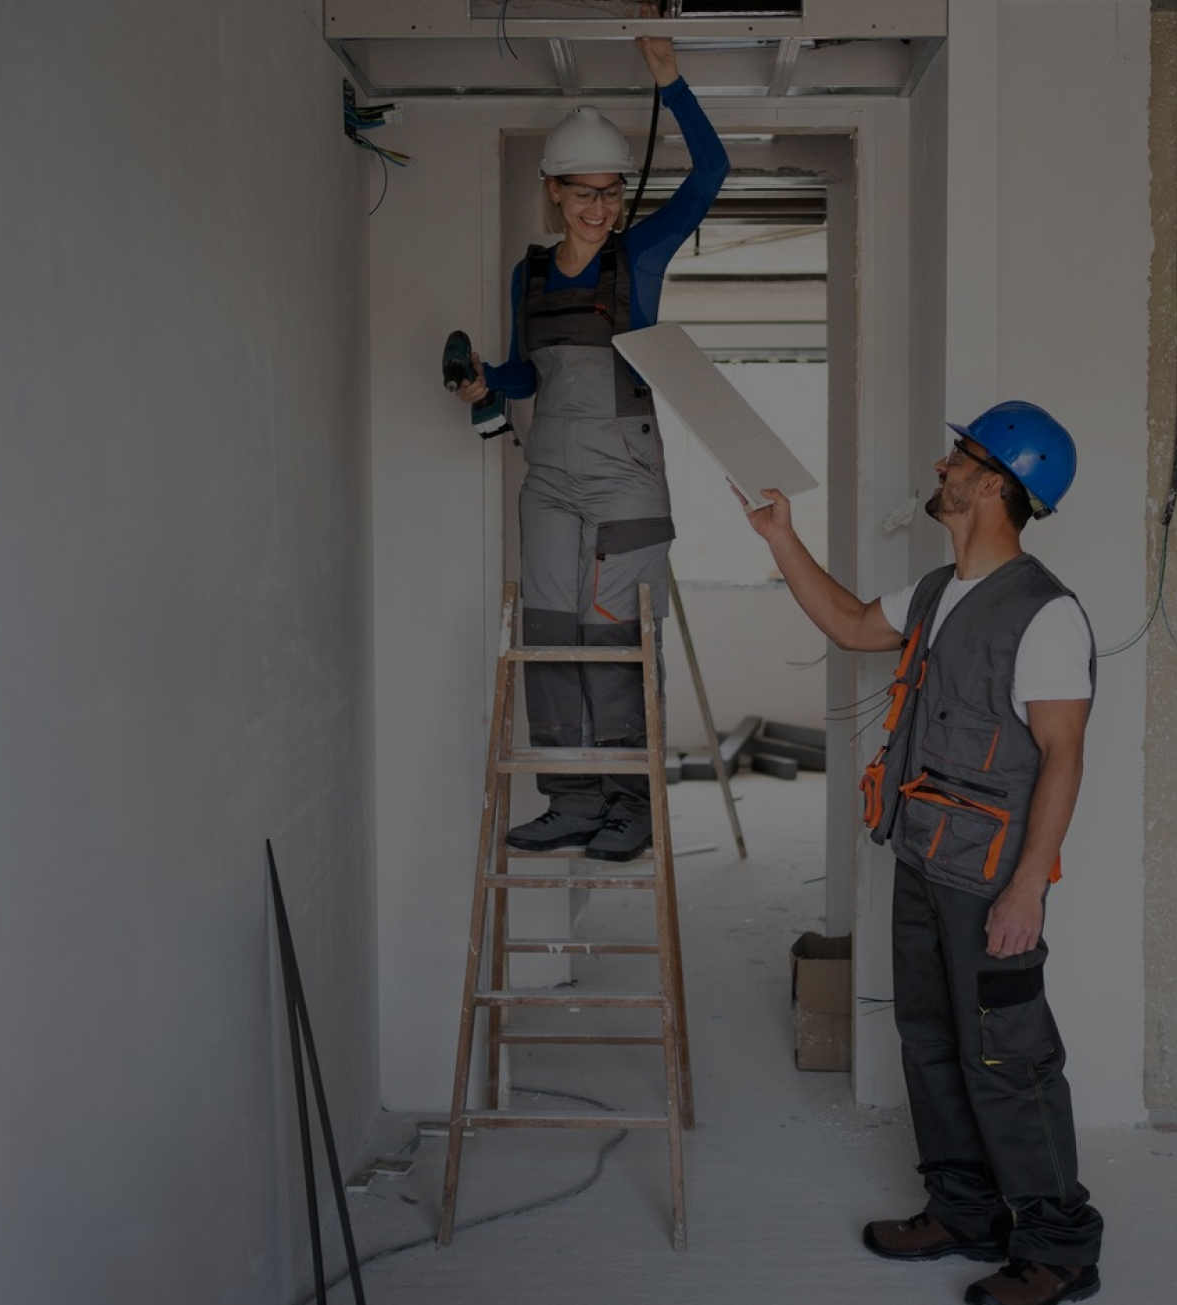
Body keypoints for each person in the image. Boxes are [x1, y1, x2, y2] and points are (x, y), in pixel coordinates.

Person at [740, 401, 1104, 1305]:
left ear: (997, 484)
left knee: (1009, 1056)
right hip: (922, 856)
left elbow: (1063, 754)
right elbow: (849, 623)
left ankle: (1059, 1248)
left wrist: (1027, 887)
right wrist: (781, 537)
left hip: (991, 878)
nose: (943, 467)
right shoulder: (939, 592)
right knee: (931, 1039)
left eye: (960, 457)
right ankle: (965, 1210)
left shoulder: (1045, 613)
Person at [454, 36, 729, 863]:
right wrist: (486, 381)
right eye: (584, 193)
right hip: (549, 479)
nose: (600, 208)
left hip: (624, 479)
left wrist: (671, 81)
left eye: (611, 192)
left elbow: (710, 174)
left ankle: (629, 803)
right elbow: (526, 375)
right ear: (554, 189)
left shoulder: (637, 257)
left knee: (614, 641)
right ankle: (571, 799)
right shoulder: (530, 276)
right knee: (547, 634)